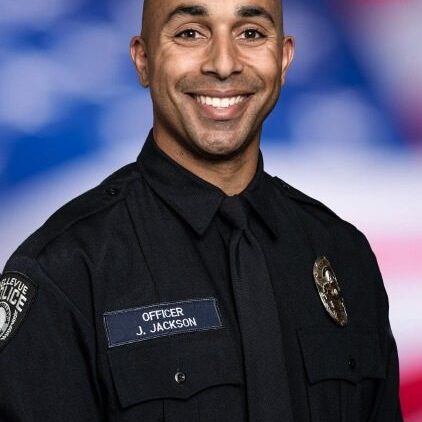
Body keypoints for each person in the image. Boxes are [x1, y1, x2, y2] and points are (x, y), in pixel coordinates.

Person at [0, 0, 402, 420]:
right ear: (143, 59)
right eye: (190, 33)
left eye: (250, 34)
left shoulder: (344, 254)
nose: (224, 64)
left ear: (283, 59)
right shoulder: (63, 270)